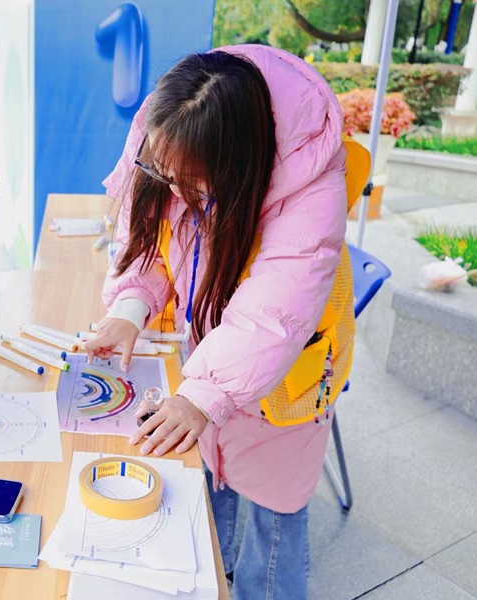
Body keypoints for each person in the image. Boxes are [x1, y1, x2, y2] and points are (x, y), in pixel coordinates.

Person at [85, 45, 353, 599]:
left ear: (239, 169)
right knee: (215, 473)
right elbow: (150, 238)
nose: (174, 192)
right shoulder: (171, 129)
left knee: (276, 515)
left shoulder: (309, 180)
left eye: (193, 186)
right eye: (164, 175)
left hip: (287, 380)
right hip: (217, 364)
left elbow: (274, 311)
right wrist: (130, 308)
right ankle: (219, 573)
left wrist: (205, 392)